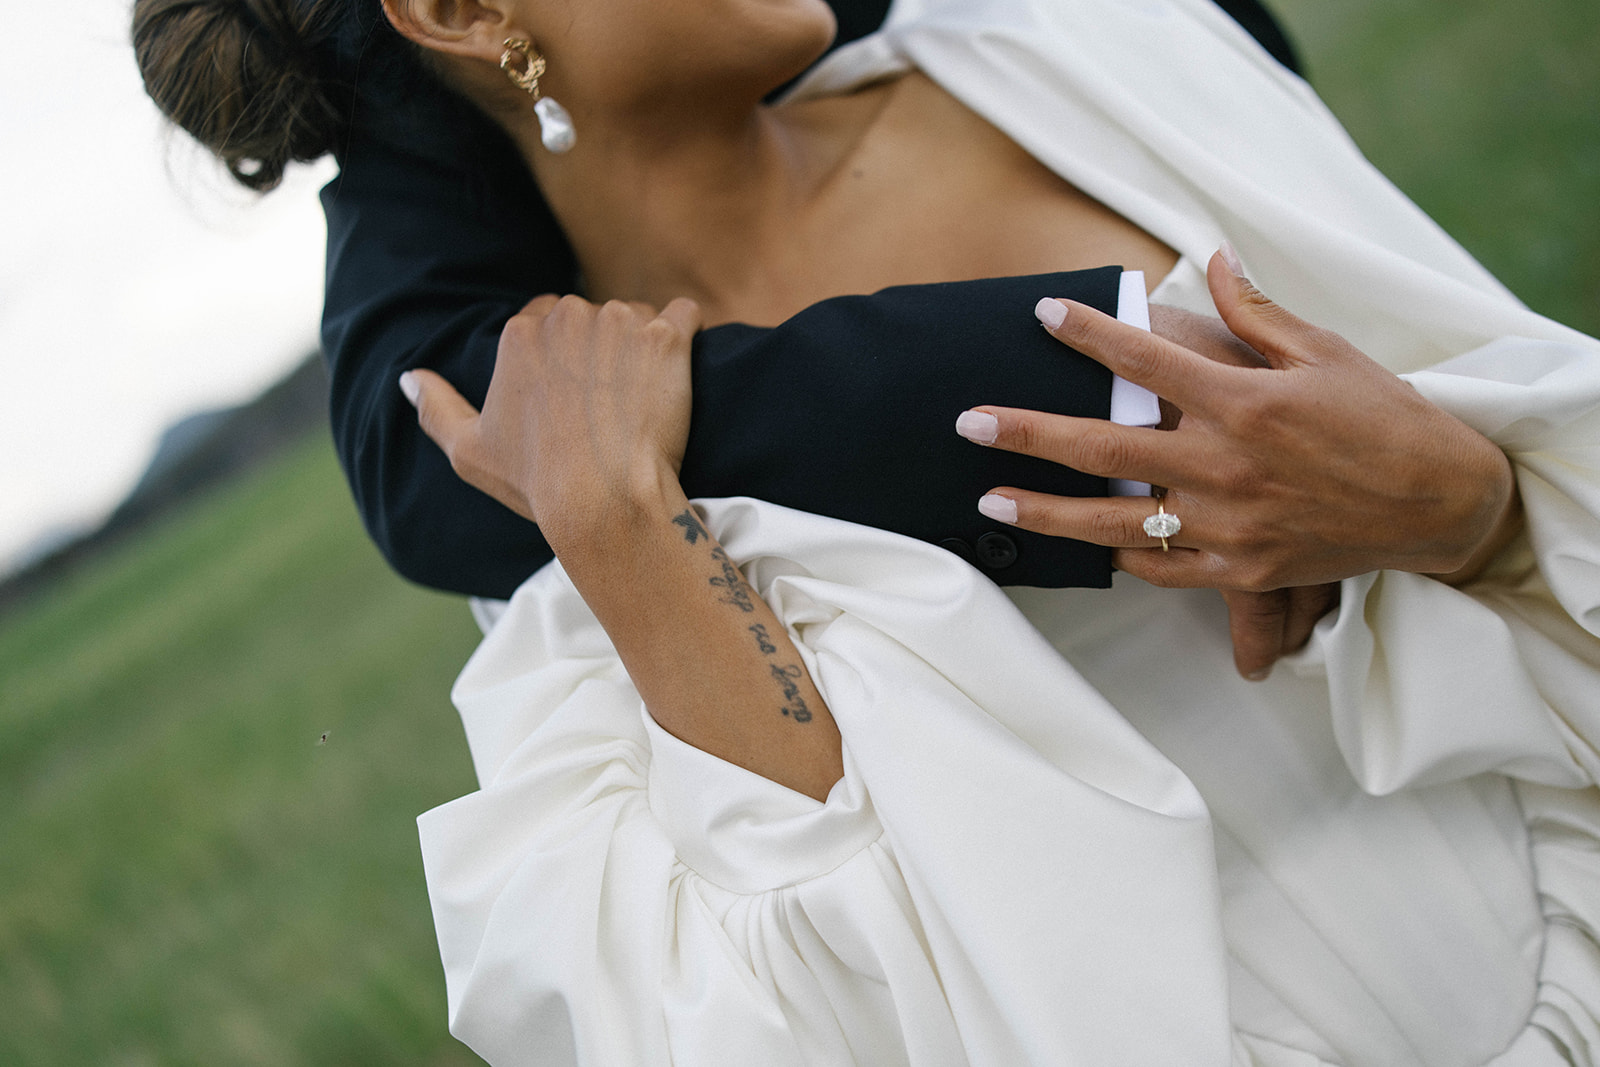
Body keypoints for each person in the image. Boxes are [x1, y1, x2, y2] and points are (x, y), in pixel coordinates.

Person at [133, 0, 1600, 1064]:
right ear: (466, 13)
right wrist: (639, 552)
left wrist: (1470, 513)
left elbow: (1537, 427)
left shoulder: (1092, 55)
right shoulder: (538, 504)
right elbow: (806, 1025)